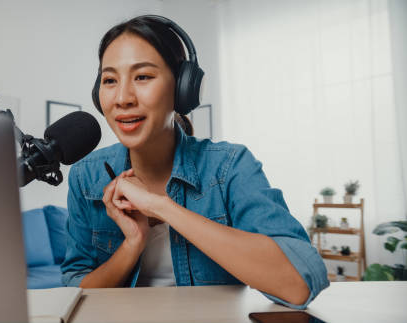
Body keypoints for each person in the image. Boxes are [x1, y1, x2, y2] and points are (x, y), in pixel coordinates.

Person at [60, 15, 328, 309]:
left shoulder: (229, 166)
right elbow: (75, 291)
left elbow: (299, 283)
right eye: (110, 80)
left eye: (143, 77)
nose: (122, 98)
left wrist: (160, 205)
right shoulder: (87, 176)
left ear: (183, 88)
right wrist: (132, 244)